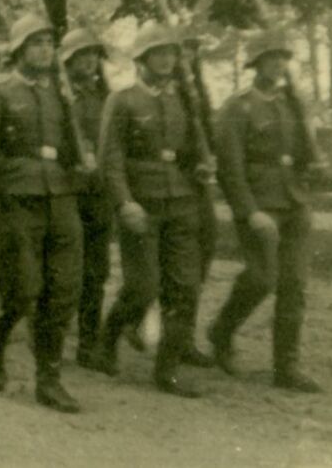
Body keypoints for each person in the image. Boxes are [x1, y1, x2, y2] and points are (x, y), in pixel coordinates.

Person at [0, 13, 83, 413]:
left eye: (49, 43)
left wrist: (80, 164)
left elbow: (70, 149)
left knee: (64, 288)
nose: (45, 50)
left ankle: (48, 380)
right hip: (17, 199)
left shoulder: (58, 93)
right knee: (23, 289)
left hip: (60, 197)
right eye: (36, 43)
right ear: (18, 50)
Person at [91, 23, 209, 398]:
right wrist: (124, 202)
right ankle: (108, 338)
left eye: (170, 53)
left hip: (181, 203)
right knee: (143, 287)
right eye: (158, 53)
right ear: (141, 60)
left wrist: (200, 166)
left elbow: (190, 152)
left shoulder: (183, 101)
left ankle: (167, 370)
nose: (166, 60)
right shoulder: (123, 101)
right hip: (141, 204)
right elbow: (110, 160)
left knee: (185, 288)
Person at [207, 31, 323, 393]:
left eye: (283, 58)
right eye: (271, 58)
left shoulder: (293, 103)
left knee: (294, 285)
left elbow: (304, 155)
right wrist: (248, 211)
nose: (279, 64)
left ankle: (286, 366)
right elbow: (230, 168)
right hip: (261, 206)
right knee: (261, 279)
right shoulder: (238, 107)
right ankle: (221, 330)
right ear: (256, 64)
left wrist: (313, 165)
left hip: (295, 203)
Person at [59, 28, 112, 368]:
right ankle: (48, 335)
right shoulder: (58, 96)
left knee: (97, 271)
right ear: (68, 60)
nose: (90, 61)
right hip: (67, 190)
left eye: (94, 55)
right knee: (65, 270)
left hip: (98, 192)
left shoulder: (105, 97)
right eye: (82, 55)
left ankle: (89, 343)